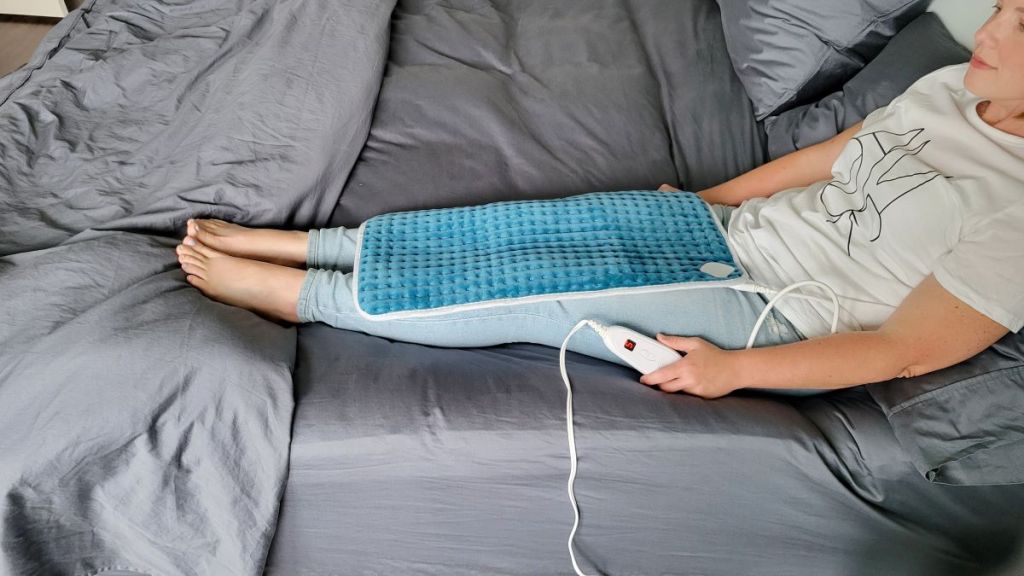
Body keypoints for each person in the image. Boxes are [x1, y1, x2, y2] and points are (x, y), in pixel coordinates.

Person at [175, 1, 1024, 399]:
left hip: (777, 311)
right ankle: (322, 244)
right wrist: (704, 200)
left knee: (542, 289)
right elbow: (837, 156)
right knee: (527, 227)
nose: (985, 31)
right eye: (1001, 7)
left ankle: (312, 295)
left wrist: (734, 372)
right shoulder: (953, 86)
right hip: (734, 233)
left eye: (1019, 25)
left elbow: (907, 352)